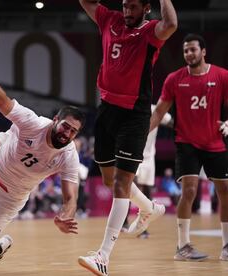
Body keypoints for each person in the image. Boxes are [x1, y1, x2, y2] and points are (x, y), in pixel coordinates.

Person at [77, 0, 177, 274]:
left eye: (133, 7)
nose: (127, 12)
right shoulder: (110, 20)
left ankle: (103, 256)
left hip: (134, 114)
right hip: (106, 109)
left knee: (121, 183)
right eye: (124, 5)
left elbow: (171, 24)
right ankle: (149, 208)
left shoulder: (150, 32)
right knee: (109, 180)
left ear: (146, 8)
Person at [0, 67, 84, 266]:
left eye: (73, 131)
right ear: (55, 120)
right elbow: (2, 100)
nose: (67, 133)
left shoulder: (69, 155)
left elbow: (71, 196)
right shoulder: (33, 123)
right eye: (65, 126)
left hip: (8, 199)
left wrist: (66, 215)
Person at [150, 33, 228, 262]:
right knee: (189, 191)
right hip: (186, 143)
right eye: (186, 51)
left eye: (193, 49)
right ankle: (183, 246)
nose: (189, 54)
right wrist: (140, 136)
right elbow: (159, 112)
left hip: (214, 142)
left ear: (203, 52)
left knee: (225, 191)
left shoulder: (222, 76)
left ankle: (226, 246)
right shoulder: (174, 79)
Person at [122, 104, 172, 238]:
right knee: (131, 186)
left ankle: (143, 225)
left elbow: (170, 121)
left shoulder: (156, 109)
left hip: (150, 158)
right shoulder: (130, 107)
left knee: (148, 191)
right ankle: (124, 222)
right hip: (133, 153)